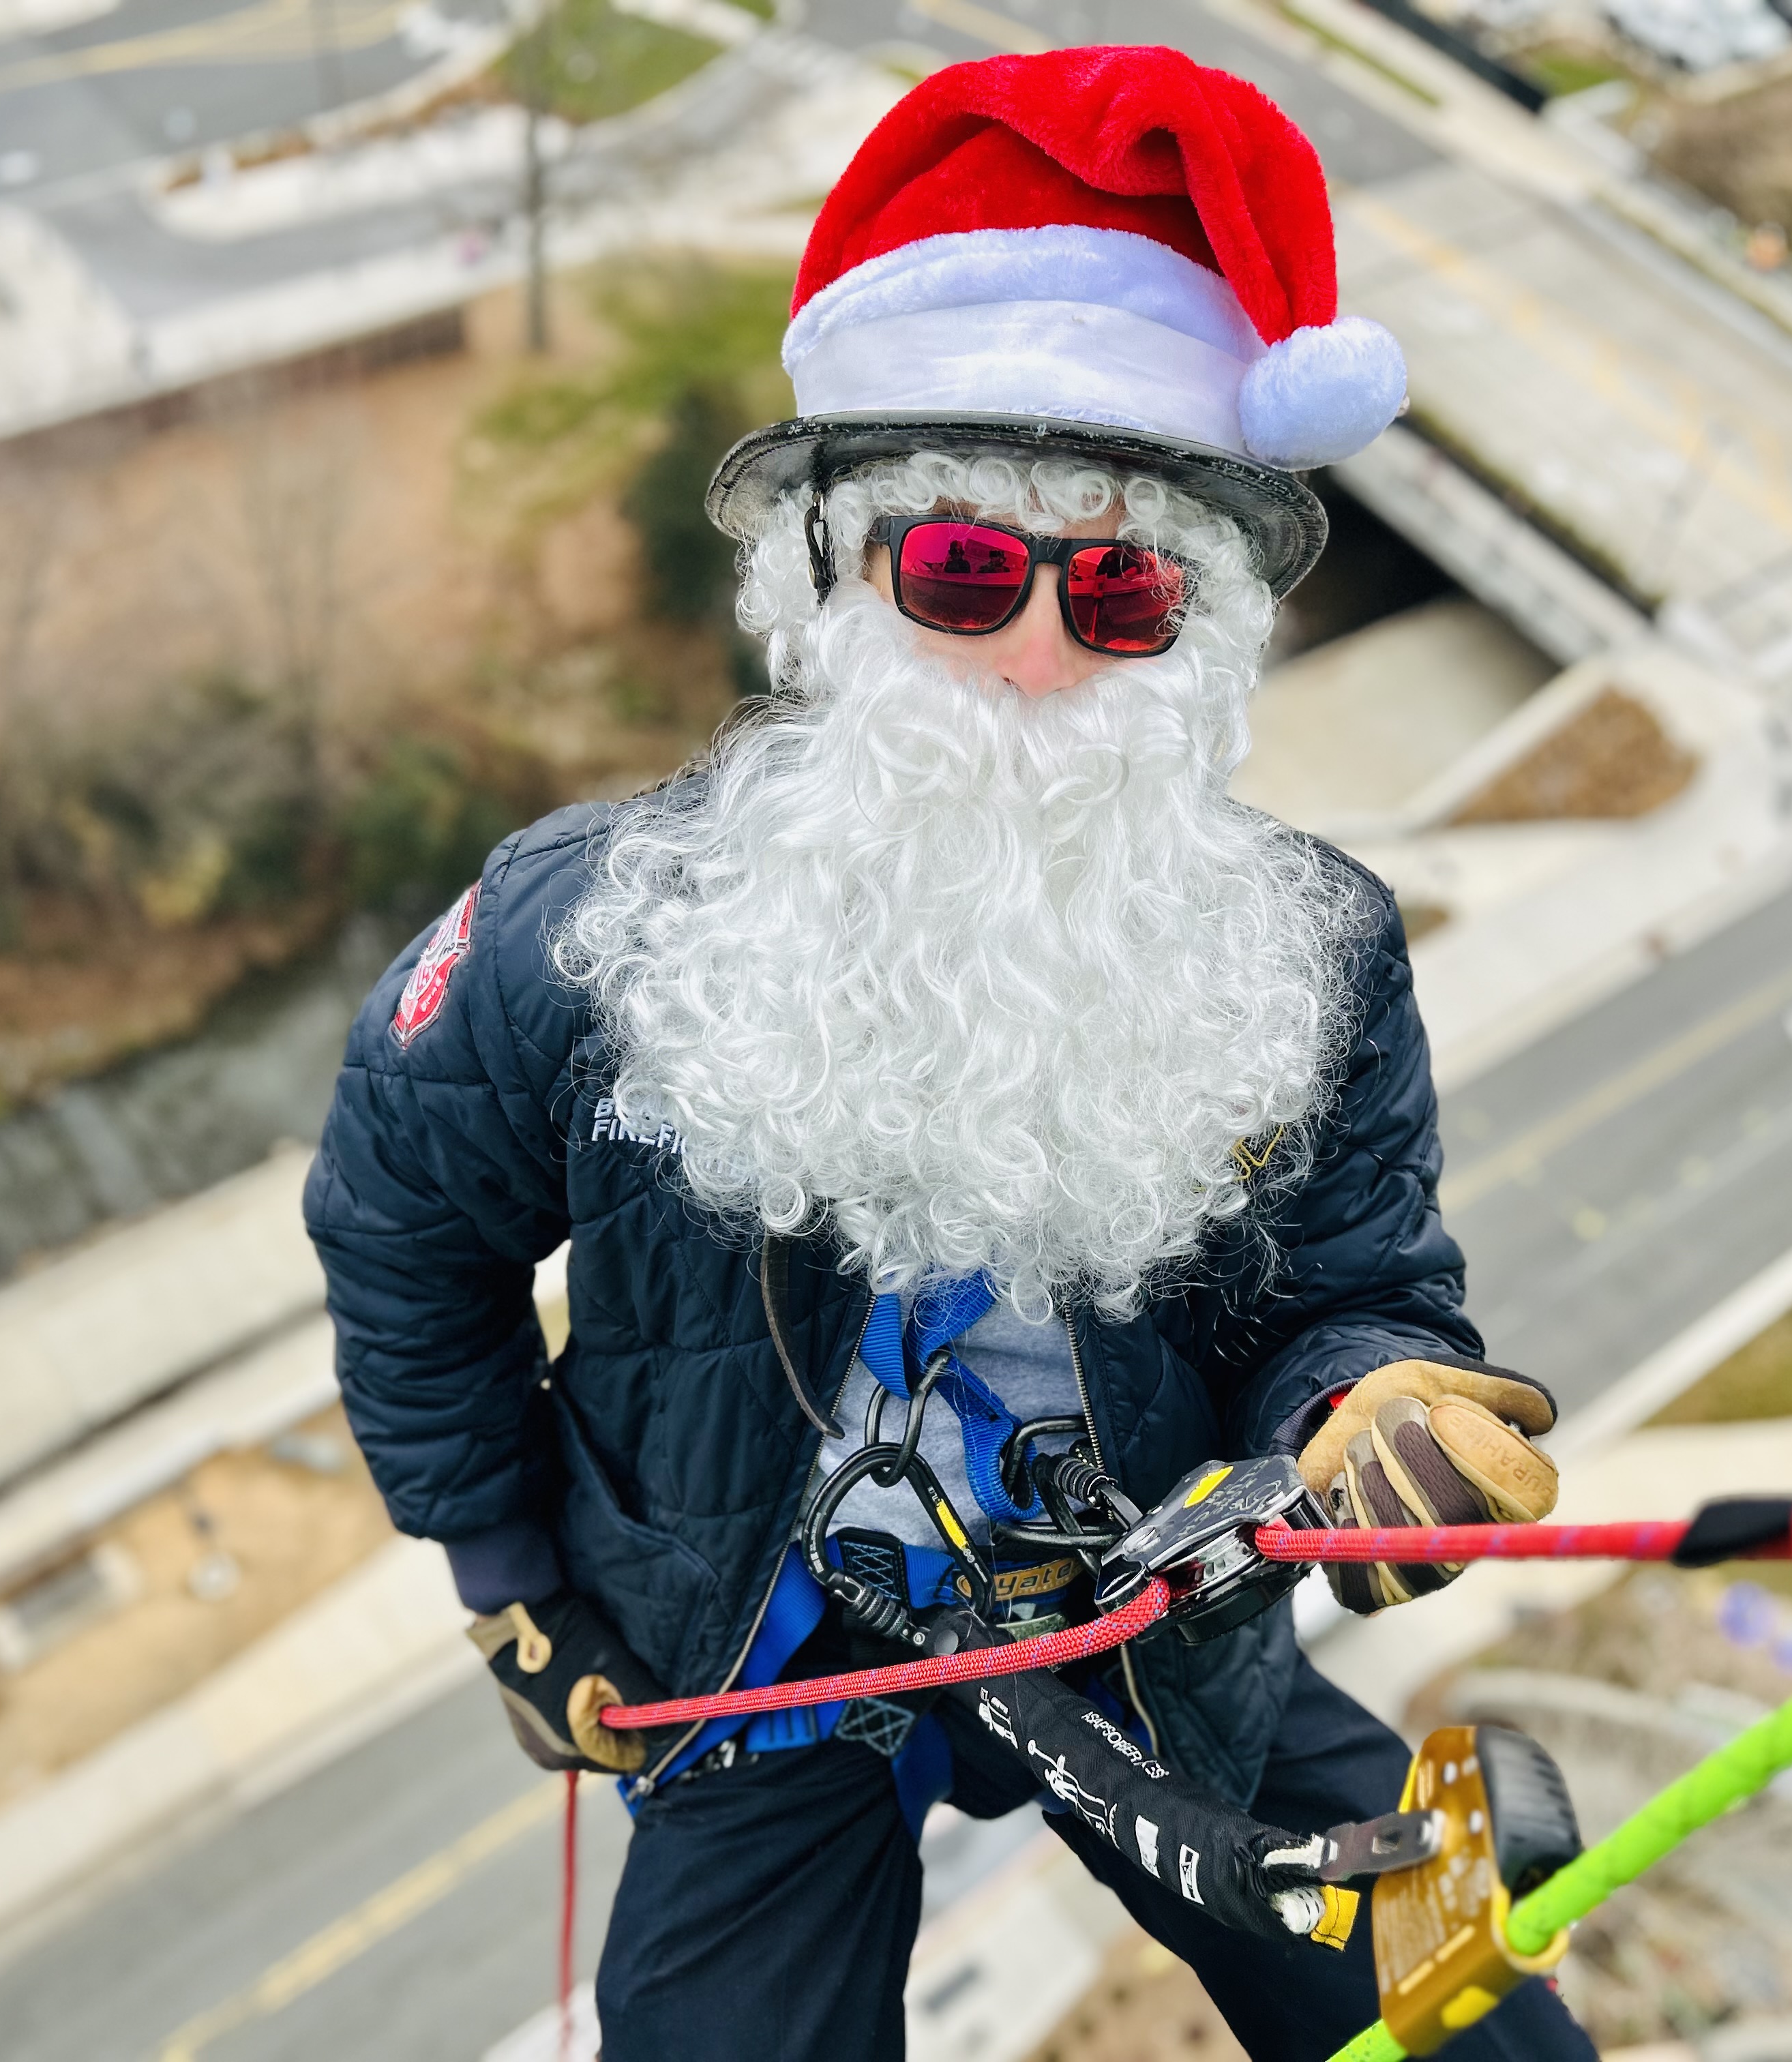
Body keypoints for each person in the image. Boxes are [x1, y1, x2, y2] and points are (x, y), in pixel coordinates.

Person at [306, 44, 1596, 2062]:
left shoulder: (1315, 947)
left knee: (1481, 2041)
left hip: (1148, 1622)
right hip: (756, 1633)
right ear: (833, 582)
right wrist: (504, 1566)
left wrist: (1384, 1399)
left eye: (1126, 588)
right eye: (969, 570)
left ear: (1204, 630)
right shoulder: (587, 935)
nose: (1037, 656)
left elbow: (1353, 1292)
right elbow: (403, 1228)